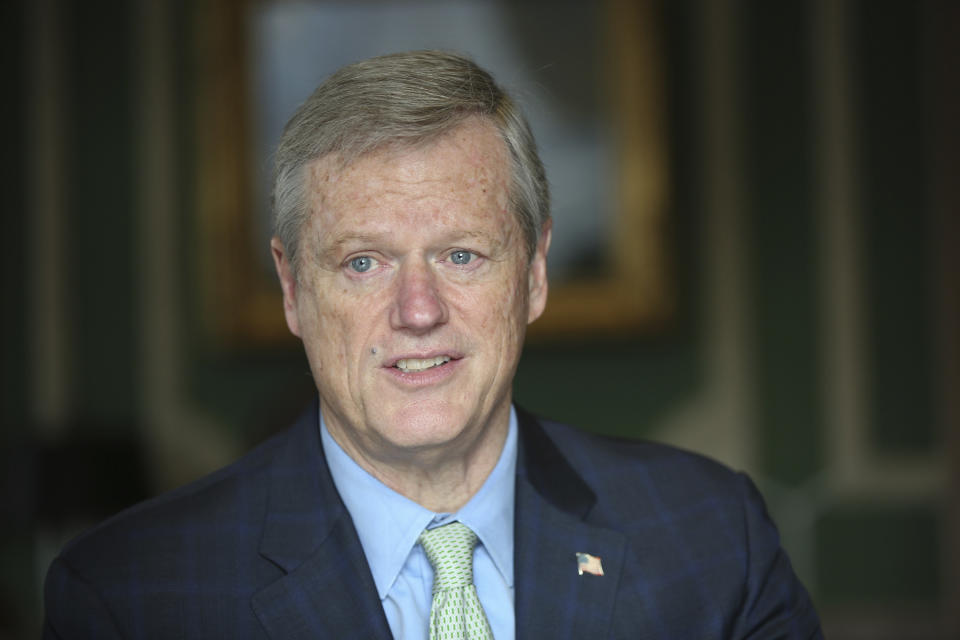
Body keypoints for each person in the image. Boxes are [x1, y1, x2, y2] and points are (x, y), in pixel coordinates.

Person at [43, 50, 822, 639]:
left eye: (461, 255)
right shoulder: (131, 594)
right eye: (362, 262)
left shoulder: (713, 537)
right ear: (292, 291)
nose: (417, 312)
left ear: (536, 274)